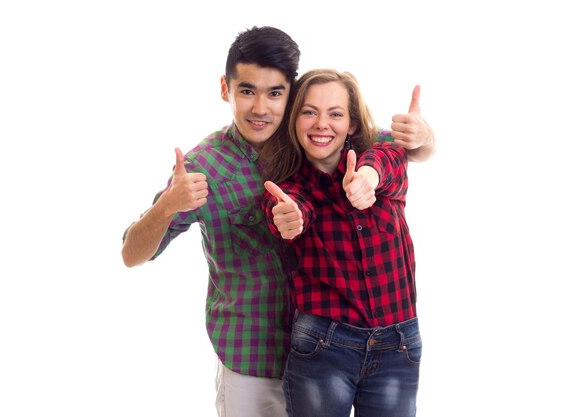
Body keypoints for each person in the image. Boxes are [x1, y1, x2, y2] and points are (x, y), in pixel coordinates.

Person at [121, 26, 434, 417]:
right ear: (225, 88)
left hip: (337, 346)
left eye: (275, 93)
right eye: (247, 91)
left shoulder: (319, 138)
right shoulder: (205, 167)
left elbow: (397, 150)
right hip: (257, 363)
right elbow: (131, 254)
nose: (260, 108)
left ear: (293, 94)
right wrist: (167, 205)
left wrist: (423, 137)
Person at [262, 69, 422, 417]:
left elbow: (388, 160)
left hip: (398, 345)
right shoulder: (289, 187)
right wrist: (289, 218)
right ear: (295, 121)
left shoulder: (382, 161)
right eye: (309, 112)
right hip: (323, 344)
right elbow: (288, 207)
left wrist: (367, 178)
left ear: (351, 124)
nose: (322, 124)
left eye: (335, 113)